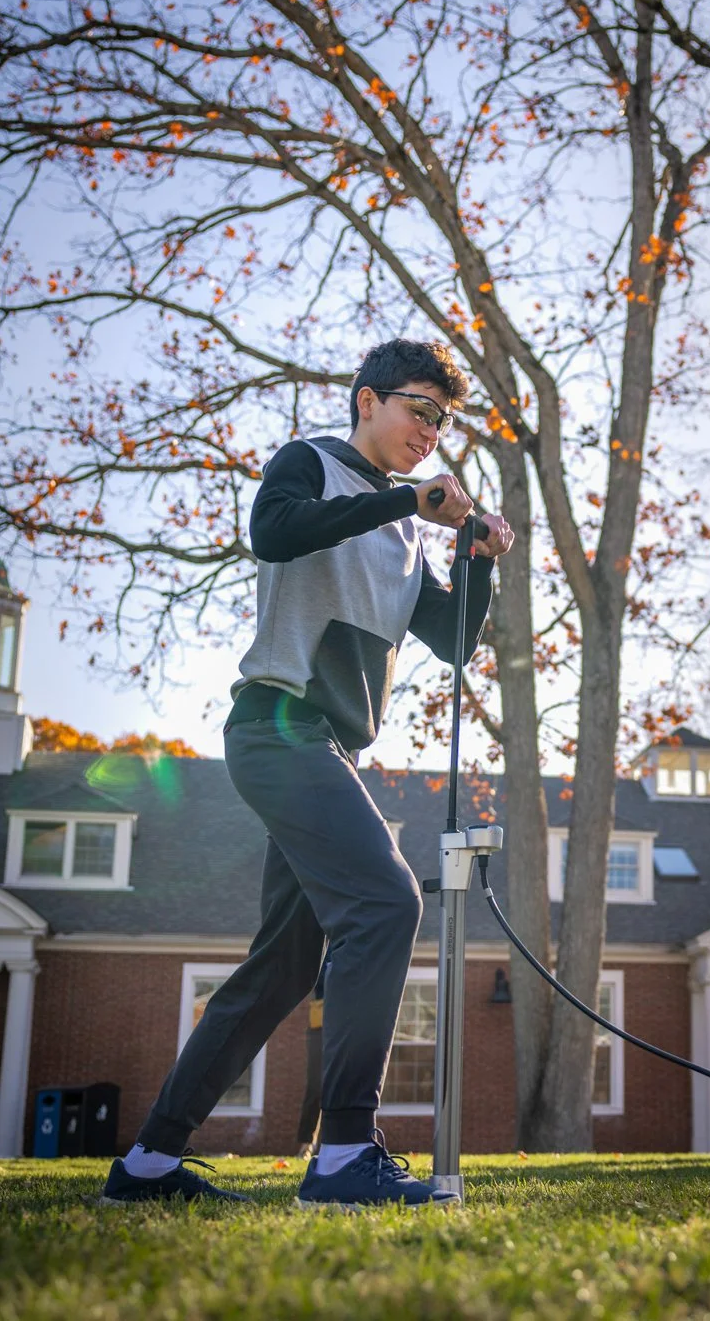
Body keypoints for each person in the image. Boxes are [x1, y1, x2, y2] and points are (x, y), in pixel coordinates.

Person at [98, 338, 513, 1209]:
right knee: (388, 902)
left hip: (329, 749)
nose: (431, 432)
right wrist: (406, 500)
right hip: (276, 729)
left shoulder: (408, 531)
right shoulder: (310, 465)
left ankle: (148, 1165)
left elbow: (451, 640)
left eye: (444, 421)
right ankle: (343, 1154)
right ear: (367, 401)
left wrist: (478, 561)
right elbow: (274, 532)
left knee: (284, 967)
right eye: (420, 410)